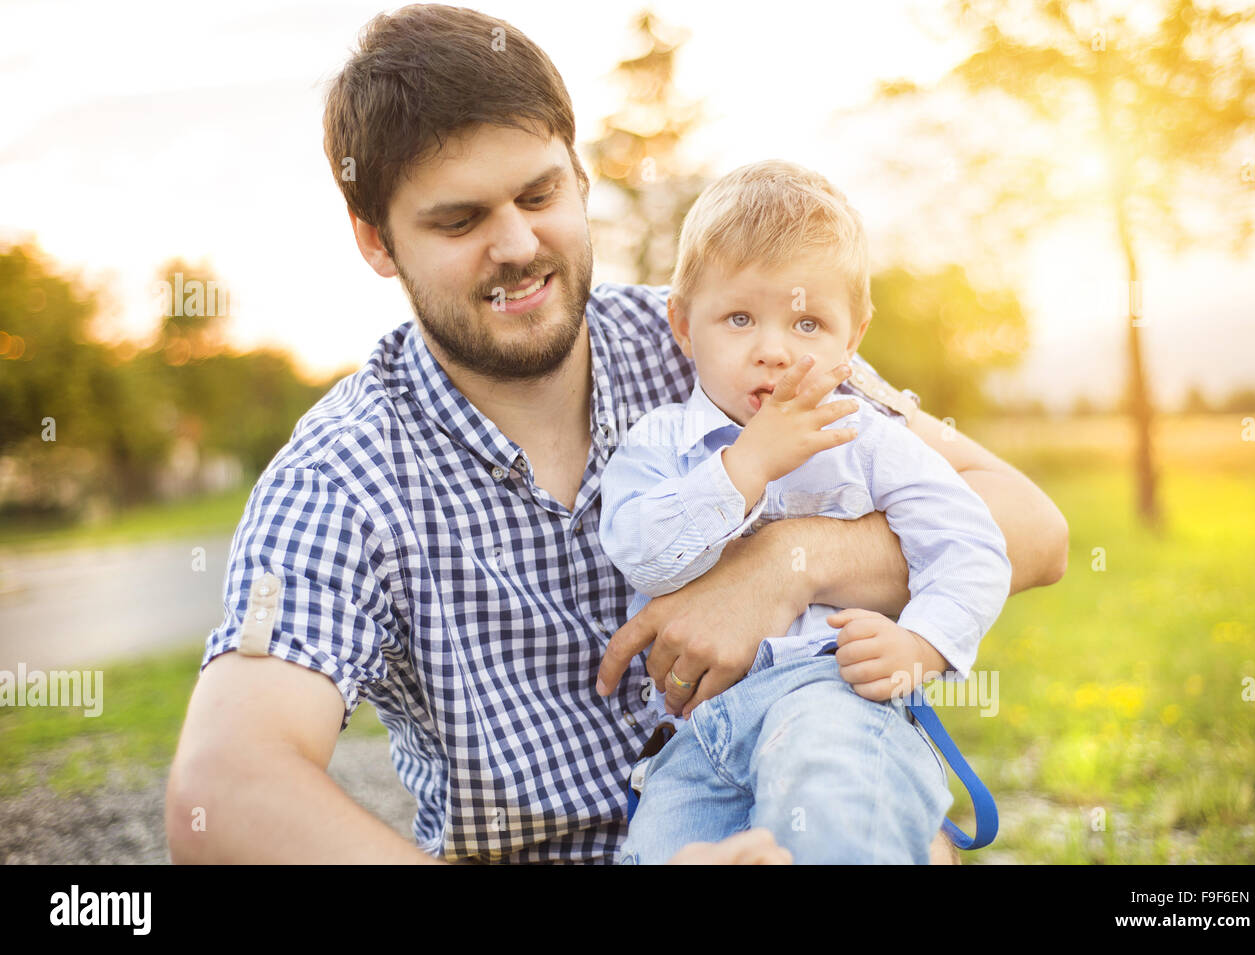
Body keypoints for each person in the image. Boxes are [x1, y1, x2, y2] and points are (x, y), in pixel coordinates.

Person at [164, 4, 1068, 865]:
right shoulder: (343, 475)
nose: (516, 244)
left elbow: (1030, 526)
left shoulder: (724, 337)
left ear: (579, 176)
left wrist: (783, 561)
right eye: (460, 219)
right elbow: (225, 788)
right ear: (376, 240)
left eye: (538, 192)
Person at [601, 161, 1012, 863]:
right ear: (682, 324)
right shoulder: (661, 441)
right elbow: (638, 550)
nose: (774, 349)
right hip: (699, 737)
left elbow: (972, 542)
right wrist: (744, 467)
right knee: (662, 847)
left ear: (852, 338)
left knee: (833, 811)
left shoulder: (871, 439)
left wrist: (924, 645)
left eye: (808, 322)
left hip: (833, 697)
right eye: (739, 318)